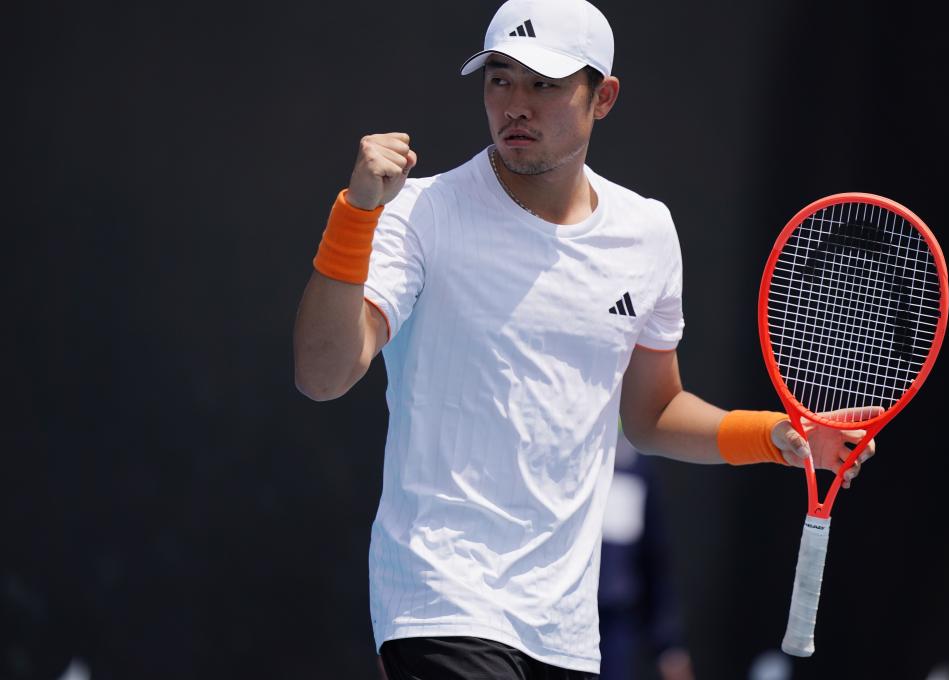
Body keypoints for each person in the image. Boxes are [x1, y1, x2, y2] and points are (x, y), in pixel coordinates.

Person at [292, 0, 876, 678]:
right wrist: (356, 215)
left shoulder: (646, 232)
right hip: (441, 599)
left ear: (604, 97)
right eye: (500, 79)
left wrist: (777, 436)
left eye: (544, 84)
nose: (515, 104)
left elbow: (653, 413)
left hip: (566, 629)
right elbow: (322, 375)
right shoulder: (417, 214)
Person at [599, 429, 694, 680]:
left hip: (614, 623)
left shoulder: (635, 467)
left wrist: (669, 645)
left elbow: (654, 558)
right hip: (547, 617)